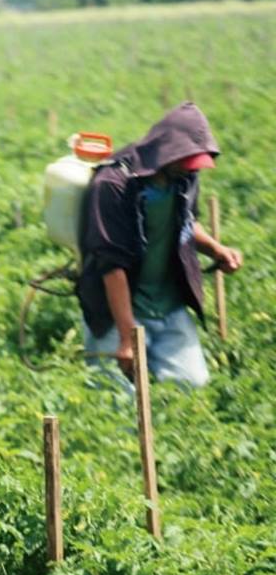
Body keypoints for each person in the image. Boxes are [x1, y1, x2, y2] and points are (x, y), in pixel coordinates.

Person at [77, 102, 242, 389]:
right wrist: (127, 339)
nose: (191, 171)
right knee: (114, 400)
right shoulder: (114, 183)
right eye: (186, 162)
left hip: (167, 304)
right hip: (116, 311)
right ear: (168, 151)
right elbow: (110, 264)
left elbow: (187, 222)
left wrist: (217, 250)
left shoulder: (184, 177)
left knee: (191, 387)